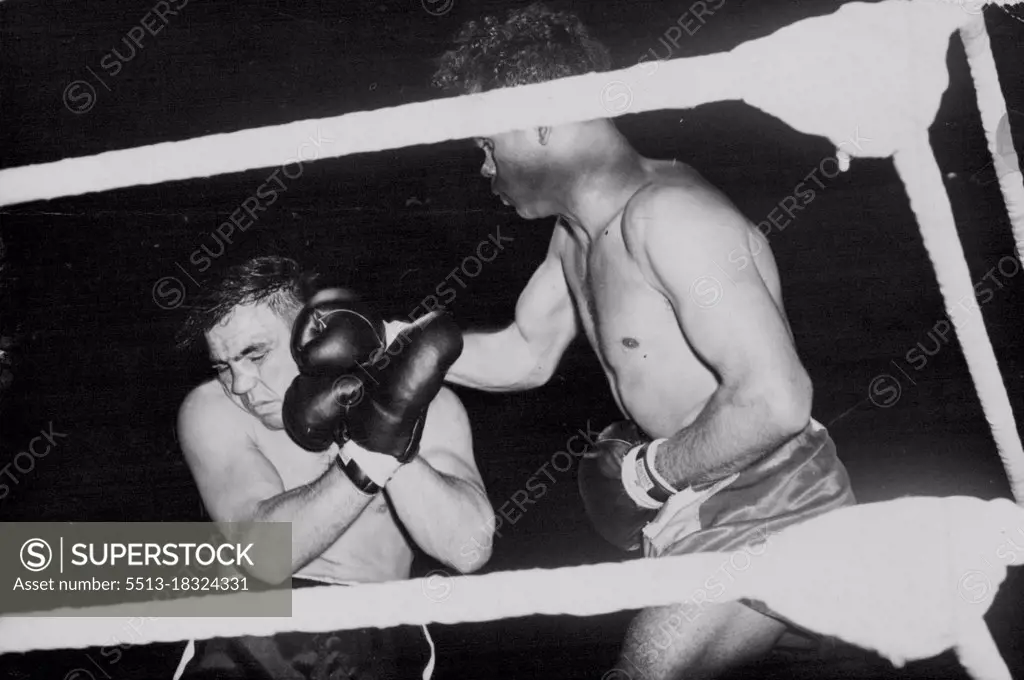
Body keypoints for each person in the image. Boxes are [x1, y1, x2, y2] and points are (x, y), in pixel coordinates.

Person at [432, 4, 856, 679]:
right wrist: (392, 347)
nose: (482, 167)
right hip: (691, 514)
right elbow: (524, 352)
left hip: (770, 504)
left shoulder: (671, 217)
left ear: (543, 119)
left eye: (486, 143)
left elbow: (776, 400)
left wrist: (648, 473)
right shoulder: (574, 237)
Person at [173, 255, 495, 679]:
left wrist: (390, 423)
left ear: (314, 330)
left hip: (378, 636)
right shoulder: (211, 408)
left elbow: (468, 549)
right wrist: (372, 454)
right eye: (223, 365)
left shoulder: (431, 405)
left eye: (256, 354)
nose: (241, 385)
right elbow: (265, 555)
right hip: (250, 633)